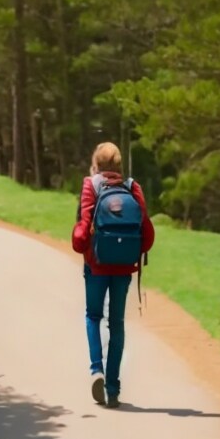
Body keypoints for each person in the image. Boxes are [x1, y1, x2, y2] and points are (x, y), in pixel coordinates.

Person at [71, 141, 155, 409]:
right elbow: (147, 234)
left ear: (96, 164)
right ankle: (113, 389)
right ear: (119, 166)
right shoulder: (132, 187)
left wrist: (78, 242)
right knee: (116, 324)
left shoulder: (91, 186)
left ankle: (96, 369)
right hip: (123, 268)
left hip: (96, 265)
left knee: (93, 316)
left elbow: (82, 230)